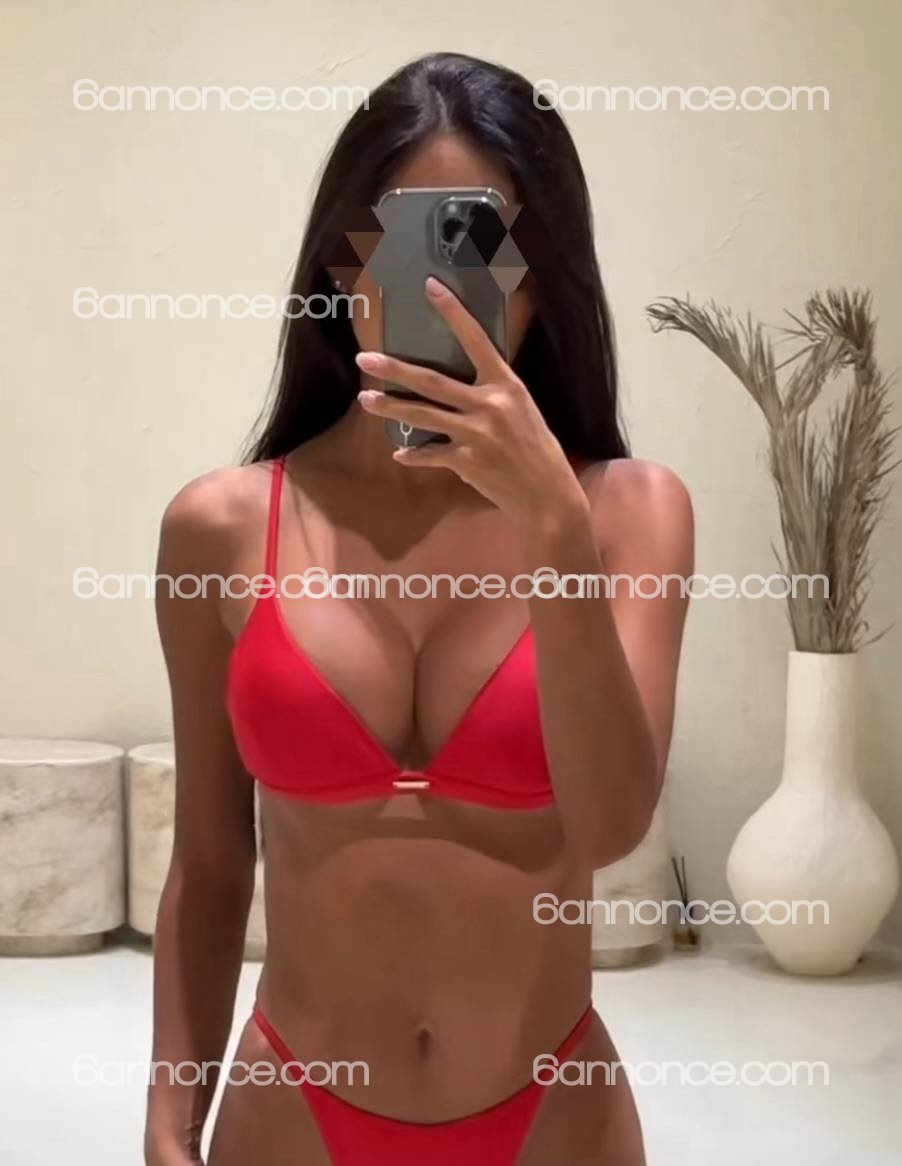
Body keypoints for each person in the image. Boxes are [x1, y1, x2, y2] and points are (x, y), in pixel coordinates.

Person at [145, 51, 693, 1166]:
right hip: (293, 1114)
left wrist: (552, 527)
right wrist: (166, 1124)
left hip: (553, 1119)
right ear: (341, 259)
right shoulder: (220, 527)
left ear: (544, 275)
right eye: (404, 242)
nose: (439, 291)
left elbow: (610, 826)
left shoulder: (626, 512)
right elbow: (210, 863)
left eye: (481, 248)